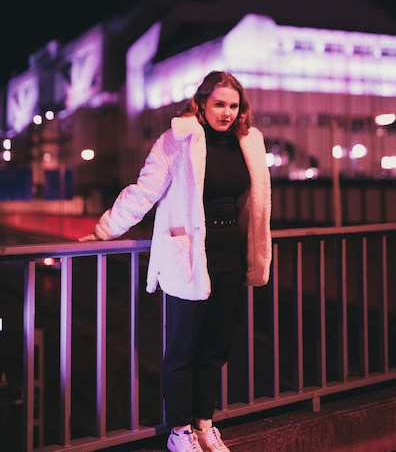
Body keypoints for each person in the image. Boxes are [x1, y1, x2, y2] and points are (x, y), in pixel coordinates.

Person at [80, 70, 272, 452]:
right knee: (183, 348)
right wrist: (105, 230)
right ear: (201, 103)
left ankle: (205, 424)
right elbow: (144, 192)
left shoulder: (247, 143)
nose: (227, 112)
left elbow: (256, 202)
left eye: (234, 106)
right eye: (219, 104)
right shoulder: (176, 139)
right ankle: (179, 430)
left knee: (216, 347)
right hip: (188, 255)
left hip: (229, 253)